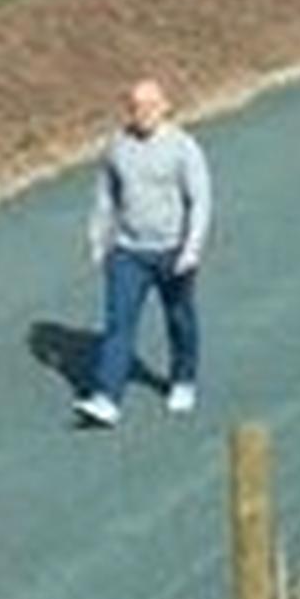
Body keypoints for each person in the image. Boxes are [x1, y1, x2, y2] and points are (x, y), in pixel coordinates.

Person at [75, 79, 212, 428]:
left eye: (150, 105)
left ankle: (183, 379)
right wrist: (97, 240)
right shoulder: (118, 147)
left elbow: (200, 201)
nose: (142, 113)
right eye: (135, 106)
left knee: (179, 319)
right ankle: (107, 397)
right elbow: (105, 197)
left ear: (166, 106)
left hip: (173, 251)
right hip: (129, 252)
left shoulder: (184, 147)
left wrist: (191, 249)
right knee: (118, 324)